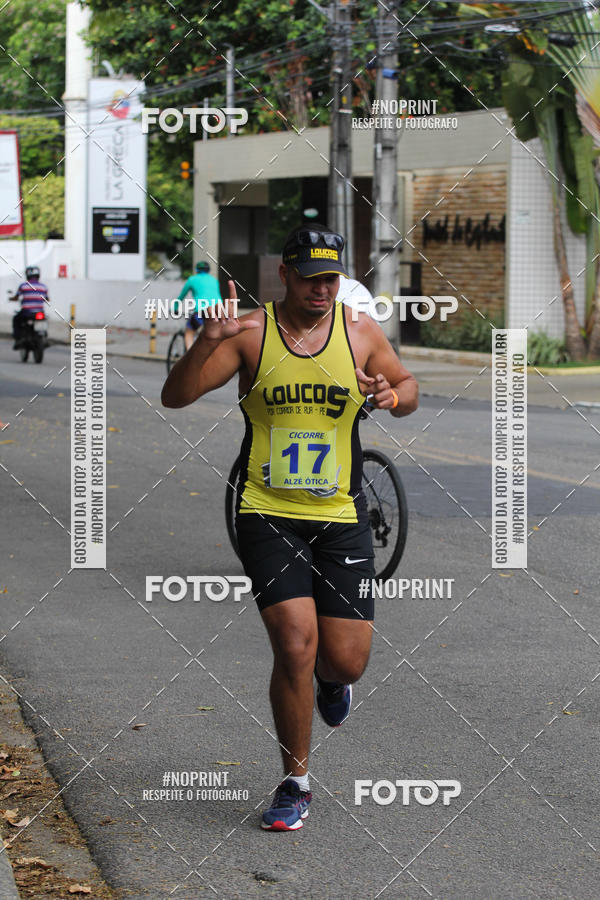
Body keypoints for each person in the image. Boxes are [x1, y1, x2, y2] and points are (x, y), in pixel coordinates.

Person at [161, 224, 418, 831]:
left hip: (341, 515)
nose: (323, 289)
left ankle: (334, 683)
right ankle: (295, 781)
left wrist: (391, 397)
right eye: (311, 278)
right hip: (267, 512)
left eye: (332, 278)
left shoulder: (359, 332)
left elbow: (407, 388)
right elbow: (176, 396)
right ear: (285, 274)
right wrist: (205, 341)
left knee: (346, 662)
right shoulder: (248, 333)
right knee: (295, 645)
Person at [177, 260, 222, 350]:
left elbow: (181, 296)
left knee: (189, 332)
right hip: (218, 311)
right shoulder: (214, 280)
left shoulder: (192, 279)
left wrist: (174, 307)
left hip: (201, 311)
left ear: (197, 270)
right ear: (208, 270)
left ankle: (189, 357)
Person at [11, 266, 49, 349]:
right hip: (40, 312)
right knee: (45, 320)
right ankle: (45, 339)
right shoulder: (43, 287)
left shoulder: (23, 286)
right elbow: (47, 299)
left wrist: (11, 298)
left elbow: (16, 297)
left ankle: (18, 339)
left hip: (27, 312)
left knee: (16, 319)